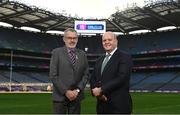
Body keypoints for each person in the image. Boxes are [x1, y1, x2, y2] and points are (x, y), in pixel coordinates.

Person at [90, 31, 133, 114]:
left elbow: (122, 78)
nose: (106, 42)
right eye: (104, 40)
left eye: (109, 40)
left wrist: (101, 89)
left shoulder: (125, 57)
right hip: (101, 106)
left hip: (119, 106)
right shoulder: (99, 59)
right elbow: (93, 78)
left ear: (116, 41)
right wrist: (98, 94)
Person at [49, 28, 89, 114]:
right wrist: (66, 91)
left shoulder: (82, 54)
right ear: (64, 39)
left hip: (76, 96)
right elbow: (53, 75)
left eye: (74, 38)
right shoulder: (56, 52)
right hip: (60, 96)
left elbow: (86, 75)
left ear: (77, 39)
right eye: (69, 38)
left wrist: (77, 91)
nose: (72, 40)